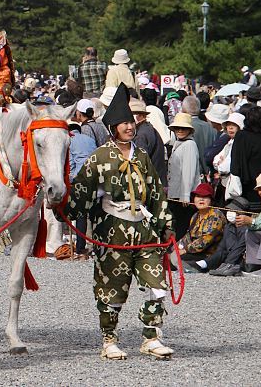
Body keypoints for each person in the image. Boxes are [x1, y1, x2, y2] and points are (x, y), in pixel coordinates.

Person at [63, 83, 174, 361]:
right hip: (112, 231)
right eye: (123, 123)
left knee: (158, 285)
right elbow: (82, 191)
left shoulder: (142, 156)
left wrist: (166, 225)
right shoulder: (99, 157)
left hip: (145, 229)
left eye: (131, 122)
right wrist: (65, 210)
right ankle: (109, 339)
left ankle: (151, 336)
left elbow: (157, 192)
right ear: (112, 127)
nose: (129, 127)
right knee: (112, 288)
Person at [176, 183, 225, 272]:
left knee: (178, 259)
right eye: (198, 196)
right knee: (170, 256)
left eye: (205, 197)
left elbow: (206, 240)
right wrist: (175, 247)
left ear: (211, 200)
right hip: (194, 252)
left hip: (208, 255)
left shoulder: (216, 215)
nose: (201, 199)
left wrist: (185, 250)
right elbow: (188, 236)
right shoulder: (195, 216)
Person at [167, 113, 201, 240]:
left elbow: (189, 171)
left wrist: (185, 195)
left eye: (184, 128)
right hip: (176, 192)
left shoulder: (190, 145)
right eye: (177, 128)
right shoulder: (178, 143)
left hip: (183, 196)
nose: (180, 131)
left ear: (189, 130)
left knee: (182, 225)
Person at [68, 122, 97, 259]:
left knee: (80, 214)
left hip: (79, 179)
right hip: (94, 177)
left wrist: (69, 179)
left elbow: (70, 162)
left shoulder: (70, 139)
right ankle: (96, 246)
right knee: (93, 213)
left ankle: (80, 247)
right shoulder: (90, 140)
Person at [235, 172, 261, 277]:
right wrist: (248, 222)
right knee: (251, 232)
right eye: (260, 189)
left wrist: (252, 221)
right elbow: (260, 220)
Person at [130, 98, 167, 185]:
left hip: (150, 183)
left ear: (140, 116)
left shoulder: (141, 135)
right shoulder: (147, 128)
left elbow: (141, 164)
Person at [181, 96, 216, 176]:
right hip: (209, 172)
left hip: (192, 173)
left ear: (183, 110)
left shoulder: (184, 128)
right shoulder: (211, 127)